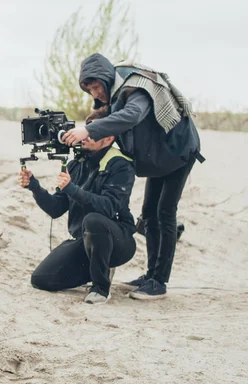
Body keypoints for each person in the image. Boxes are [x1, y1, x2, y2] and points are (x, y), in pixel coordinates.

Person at [62, 53, 204, 300]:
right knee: (149, 213)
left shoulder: (135, 88)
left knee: (165, 213)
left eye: (96, 87)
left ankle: (159, 282)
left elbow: (132, 116)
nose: (95, 94)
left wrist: (88, 129)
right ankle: (149, 275)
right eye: (90, 90)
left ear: (106, 79)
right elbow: (107, 121)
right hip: (160, 157)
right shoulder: (114, 94)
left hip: (179, 151)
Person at [19, 108, 137, 304]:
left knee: (94, 220)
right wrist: (34, 186)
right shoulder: (76, 164)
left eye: (94, 133)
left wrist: (73, 190)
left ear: (108, 139)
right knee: (41, 279)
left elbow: (109, 207)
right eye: (87, 130)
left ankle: (101, 287)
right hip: (85, 240)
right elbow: (55, 209)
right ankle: (95, 265)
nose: (86, 136)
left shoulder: (120, 165)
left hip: (119, 241)